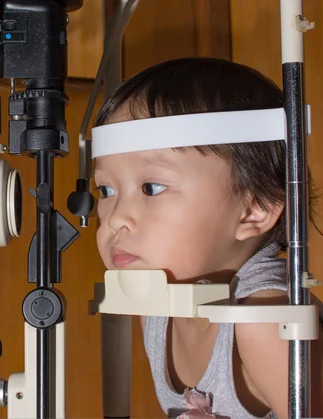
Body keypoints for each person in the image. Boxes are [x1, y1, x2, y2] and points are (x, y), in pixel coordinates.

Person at [92, 57, 322, 419]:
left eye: (151, 187)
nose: (115, 217)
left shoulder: (264, 321)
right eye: (105, 190)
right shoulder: (157, 310)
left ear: (254, 209)